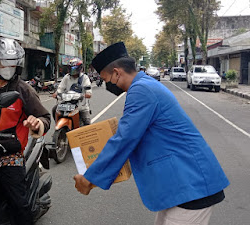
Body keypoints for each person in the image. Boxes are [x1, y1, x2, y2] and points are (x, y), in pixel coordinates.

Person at [73, 42, 229, 225]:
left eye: (108, 80)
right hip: (180, 185)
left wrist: (89, 178)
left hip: (191, 183)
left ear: (117, 72)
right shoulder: (144, 85)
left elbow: (124, 139)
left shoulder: (142, 91)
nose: (109, 85)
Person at [0, 37, 51, 225]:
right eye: (3, 63)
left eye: (12, 63)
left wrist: (36, 123)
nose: (7, 67)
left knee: (19, 204)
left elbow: (45, 118)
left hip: (11, 154)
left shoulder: (24, 89)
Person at [52, 59, 92, 125]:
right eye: (70, 69)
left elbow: (88, 92)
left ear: (80, 69)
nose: (72, 71)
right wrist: (56, 93)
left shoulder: (85, 78)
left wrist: (86, 94)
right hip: (66, 103)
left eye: (74, 69)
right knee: (54, 109)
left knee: (87, 123)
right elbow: (60, 88)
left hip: (80, 105)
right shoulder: (66, 77)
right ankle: (58, 126)